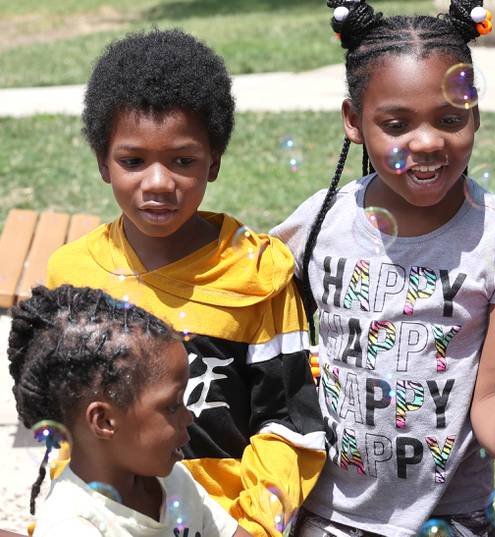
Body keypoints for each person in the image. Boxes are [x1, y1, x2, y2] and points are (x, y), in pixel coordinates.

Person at [270, 1, 495, 534]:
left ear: (476, 115)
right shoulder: (322, 220)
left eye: (450, 120)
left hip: (449, 517)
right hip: (324, 514)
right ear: (354, 122)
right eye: (396, 124)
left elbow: (491, 393)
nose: (426, 142)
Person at [45, 29, 324, 537]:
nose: (158, 183)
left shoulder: (257, 276)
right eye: (133, 161)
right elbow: (67, 423)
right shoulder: (73, 276)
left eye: (182, 160)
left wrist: (257, 525)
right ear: (102, 164)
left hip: (227, 522)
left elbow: (288, 424)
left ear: (213, 162)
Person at [8, 285, 250, 536]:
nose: (188, 416)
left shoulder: (174, 481)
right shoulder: (73, 526)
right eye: (172, 406)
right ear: (104, 421)